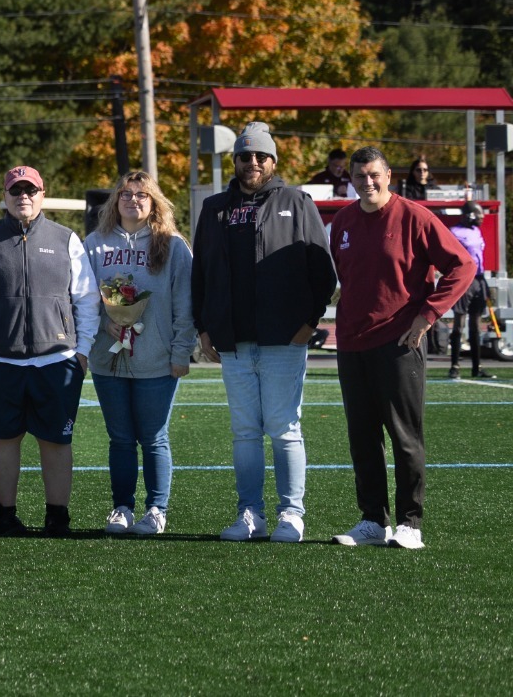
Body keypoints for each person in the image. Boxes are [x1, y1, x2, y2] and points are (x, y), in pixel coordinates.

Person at [192, 121, 337, 544]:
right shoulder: (214, 208)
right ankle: (250, 513)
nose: (252, 162)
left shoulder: (296, 201)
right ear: (235, 160)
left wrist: (309, 323)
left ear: (273, 160)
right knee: (244, 432)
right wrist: (204, 327)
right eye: (244, 155)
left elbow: (322, 270)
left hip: (284, 338)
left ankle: (291, 514)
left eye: (260, 155)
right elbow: (202, 272)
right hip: (234, 340)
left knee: (284, 428)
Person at [328, 147, 477, 550]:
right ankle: (373, 521)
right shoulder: (342, 221)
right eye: (360, 176)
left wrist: (427, 315)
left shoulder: (415, 217)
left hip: (398, 343)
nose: (367, 182)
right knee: (362, 438)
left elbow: (463, 266)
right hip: (352, 343)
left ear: (388, 175)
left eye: (374, 175)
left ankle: (410, 523)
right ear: (351, 179)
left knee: (404, 437)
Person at [0, 164, 98, 538]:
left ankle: (58, 518)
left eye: (30, 189)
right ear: (4, 196)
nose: (23, 196)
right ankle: (3, 516)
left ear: (42, 194)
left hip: (57, 358)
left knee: (56, 440)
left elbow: (86, 299)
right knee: (4, 439)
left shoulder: (66, 238)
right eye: (16, 190)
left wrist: (82, 351)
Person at [84, 171, 196, 538]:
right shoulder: (94, 244)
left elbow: (185, 304)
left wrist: (181, 352)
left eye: (142, 195)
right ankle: (122, 508)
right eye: (126, 194)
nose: (133, 200)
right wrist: (108, 324)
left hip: (157, 359)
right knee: (119, 438)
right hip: (108, 359)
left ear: (154, 202)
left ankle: (156, 509)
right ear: (115, 201)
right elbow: (82, 300)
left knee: (154, 437)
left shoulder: (173, 246)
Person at [449, 203, 494, 380]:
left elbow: (479, 257)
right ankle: (455, 366)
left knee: (476, 325)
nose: (481, 218)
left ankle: (477, 367)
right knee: (459, 324)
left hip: (478, 279)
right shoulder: (454, 232)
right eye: (479, 215)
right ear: (469, 215)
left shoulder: (476, 231)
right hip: (463, 280)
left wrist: (484, 284)